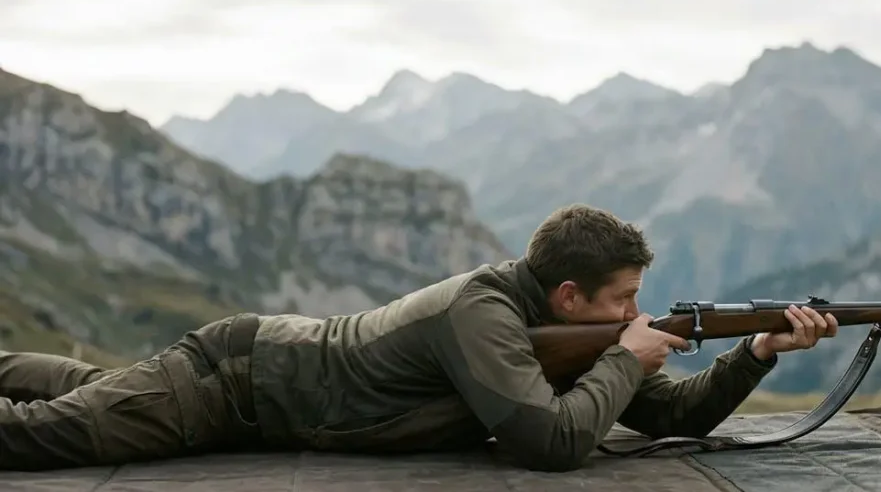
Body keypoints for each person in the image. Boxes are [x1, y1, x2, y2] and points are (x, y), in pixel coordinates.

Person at [0, 203, 838, 472]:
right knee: (47, 437)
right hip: (234, 380)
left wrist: (754, 352)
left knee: (81, 389)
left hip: (254, 393)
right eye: (620, 302)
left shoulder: (570, 332)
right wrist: (626, 357)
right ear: (569, 293)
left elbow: (667, 417)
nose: (632, 318)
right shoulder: (480, 315)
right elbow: (550, 442)